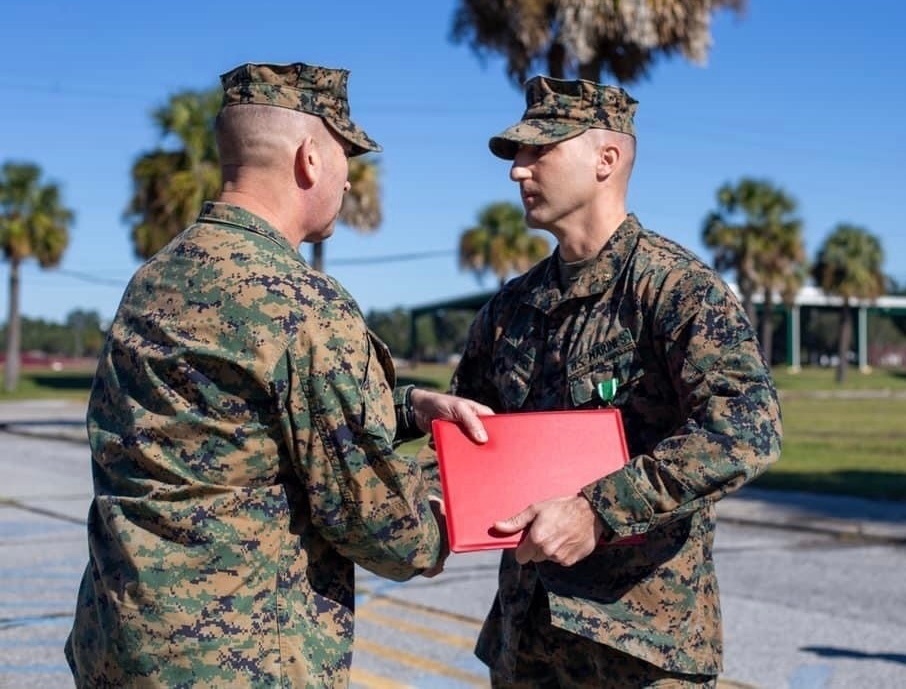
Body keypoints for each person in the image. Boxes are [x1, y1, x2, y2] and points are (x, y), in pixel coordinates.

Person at [64, 61, 491, 688]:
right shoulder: (299, 302)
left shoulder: (154, 280)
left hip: (122, 642)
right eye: (347, 156)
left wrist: (408, 406)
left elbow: (224, 426)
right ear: (310, 159)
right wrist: (451, 526)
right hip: (237, 657)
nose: (349, 181)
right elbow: (369, 515)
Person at [441, 76, 783, 687]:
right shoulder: (511, 308)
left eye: (538, 150)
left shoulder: (674, 289)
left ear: (607, 159)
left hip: (638, 644)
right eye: (516, 155)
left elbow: (746, 429)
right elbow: (469, 442)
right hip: (528, 642)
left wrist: (598, 510)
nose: (518, 171)